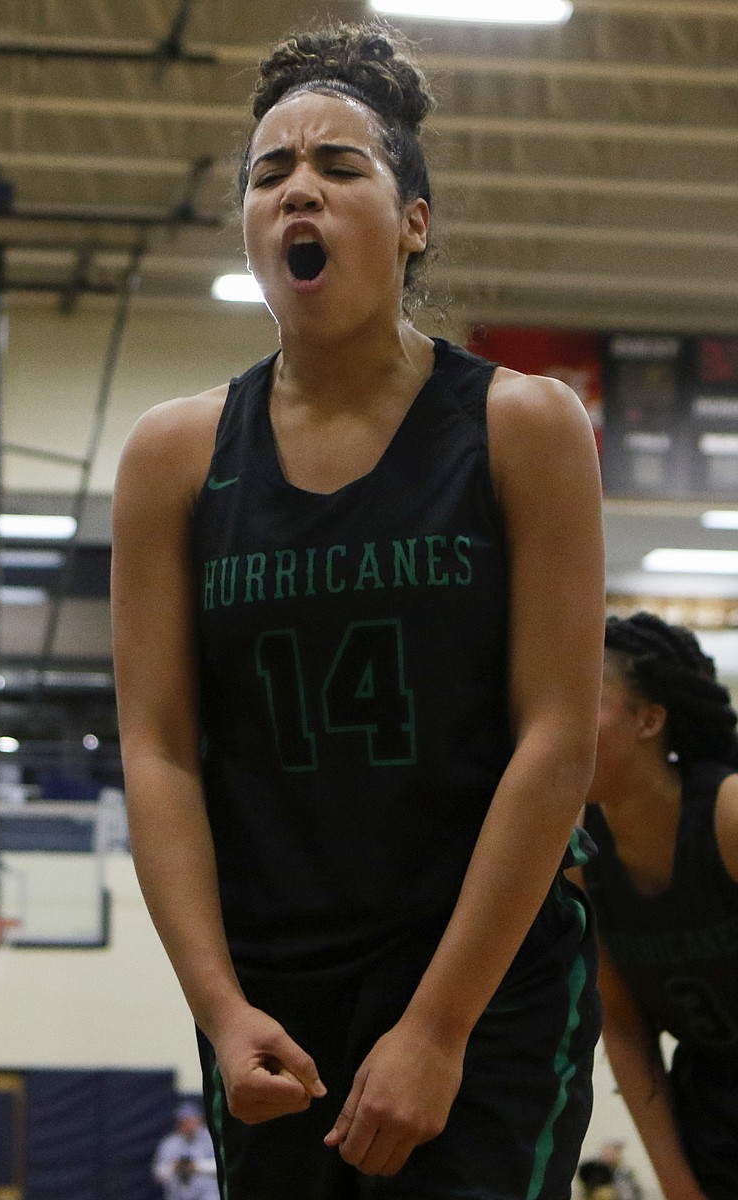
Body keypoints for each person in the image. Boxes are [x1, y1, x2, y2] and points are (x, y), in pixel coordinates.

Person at [111, 21, 605, 1199]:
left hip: (482, 980)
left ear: (411, 221)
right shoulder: (174, 455)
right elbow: (159, 751)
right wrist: (219, 1009)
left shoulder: (519, 424)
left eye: (339, 168)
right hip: (274, 990)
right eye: (268, 173)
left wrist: (438, 1028)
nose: (298, 192)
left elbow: (556, 739)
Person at [578, 612, 738, 1200]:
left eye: (587, 697)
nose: (562, 715)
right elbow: (623, 1026)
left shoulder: (728, 814)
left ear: (650, 719)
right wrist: (677, 1184)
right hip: (710, 1106)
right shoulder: (580, 852)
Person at [152, 1101, 219, 1200]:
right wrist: (175, 1167)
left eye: (191, 1120)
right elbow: (157, 1173)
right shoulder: (169, 1144)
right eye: (183, 1121)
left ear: (199, 1120)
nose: (188, 1125)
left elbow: (222, 1167)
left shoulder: (211, 1140)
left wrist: (196, 1167)